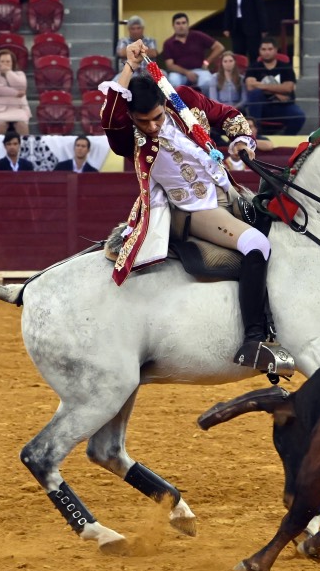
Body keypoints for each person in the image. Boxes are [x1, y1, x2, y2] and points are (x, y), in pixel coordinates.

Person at [100, 38, 291, 375]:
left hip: (227, 191)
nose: (153, 126)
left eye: (157, 118)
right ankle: (254, 339)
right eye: (143, 122)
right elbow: (112, 110)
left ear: (164, 104)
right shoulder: (126, 134)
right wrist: (129, 66)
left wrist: (242, 142)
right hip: (187, 211)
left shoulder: (183, 100)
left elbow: (229, 116)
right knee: (257, 244)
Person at [244, 37, 305, 135]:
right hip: (262, 107)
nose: (267, 52)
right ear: (259, 51)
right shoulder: (254, 67)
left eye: (270, 49)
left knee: (299, 116)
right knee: (255, 93)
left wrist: (261, 86)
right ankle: (256, 136)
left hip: (282, 106)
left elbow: (288, 88)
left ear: (276, 50)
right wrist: (277, 91)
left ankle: (285, 138)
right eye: (263, 49)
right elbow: (250, 86)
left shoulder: (285, 67)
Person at [161, 12, 223, 92]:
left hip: (199, 70)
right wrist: (187, 73)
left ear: (188, 24)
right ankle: (178, 104)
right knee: (173, 81)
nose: (181, 26)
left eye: (183, 23)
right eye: (178, 23)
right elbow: (170, 65)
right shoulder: (168, 43)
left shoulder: (198, 36)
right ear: (173, 26)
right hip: (179, 73)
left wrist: (207, 62)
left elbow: (219, 47)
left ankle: (205, 104)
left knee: (208, 82)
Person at [222, 0, 268, 65]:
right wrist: (226, 27)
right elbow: (229, 8)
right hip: (236, 25)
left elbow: (260, 8)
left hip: (252, 25)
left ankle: (254, 76)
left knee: (254, 52)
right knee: (238, 52)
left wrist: (263, 28)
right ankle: (239, 76)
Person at [0, 48, 29, 135]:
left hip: (18, 108)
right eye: (2, 61)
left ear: (13, 63)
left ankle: (23, 147)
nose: (5, 64)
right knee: (1, 125)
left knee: (22, 125)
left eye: (8, 61)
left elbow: (20, 86)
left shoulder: (20, 74)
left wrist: (8, 72)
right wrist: (15, 93)